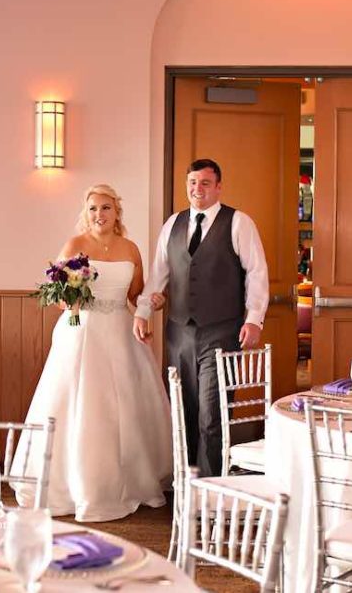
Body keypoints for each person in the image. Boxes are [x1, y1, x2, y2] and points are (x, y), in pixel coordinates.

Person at [15, 184, 172, 521]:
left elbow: (135, 296)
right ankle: (77, 485)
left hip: (120, 332)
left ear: (117, 213)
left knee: (124, 406)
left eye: (105, 208)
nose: (99, 215)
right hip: (82, 333)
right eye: (92, 209)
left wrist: (154, 301)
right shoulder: (75, 245)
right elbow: (59, 297)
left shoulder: (130, 249)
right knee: (81, 404)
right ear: (85, 214)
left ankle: (128, 481)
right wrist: (69, 297)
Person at [133, 159, 268, 477]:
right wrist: (142, 311)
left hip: (222, 331)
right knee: (184, 410)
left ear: (219, 187)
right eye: (193, 182)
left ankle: (212, 490)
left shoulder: (238, 223)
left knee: (213, 411)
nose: (198, 189)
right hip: (179, 332)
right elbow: (158, 275)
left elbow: (257, 272)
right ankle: (187, 484)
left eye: (206, 183)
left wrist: (254, 318)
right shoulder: (173, 224)